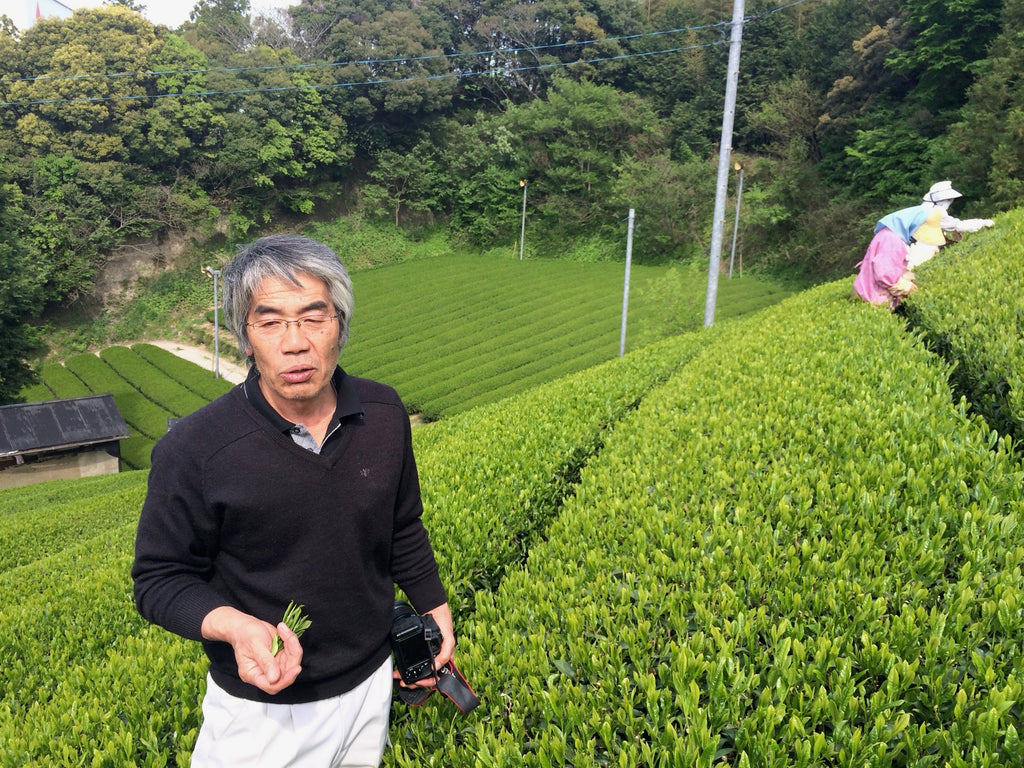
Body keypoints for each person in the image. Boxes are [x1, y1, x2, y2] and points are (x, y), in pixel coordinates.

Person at [132, 234, 456, 767]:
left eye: (313, 317)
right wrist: (235, 626)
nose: (295, 342)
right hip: (262, 711)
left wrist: (435, 609)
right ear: (245, 337)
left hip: (372, 680)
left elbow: (401, 525)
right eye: (270, 322)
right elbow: (159, 579)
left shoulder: (383, 412)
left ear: (340, 325)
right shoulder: (196, 449)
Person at [853, 206, 945, 309]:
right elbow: (885, 274)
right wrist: (908, 288)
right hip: (874, 300)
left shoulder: (888, 233)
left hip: (870, 295)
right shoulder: (891, 239)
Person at [922, 180, 994, 237]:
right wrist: (982, 223)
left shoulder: (924, 207)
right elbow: (959, 226)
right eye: (948, 199)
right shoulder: (936, 211)